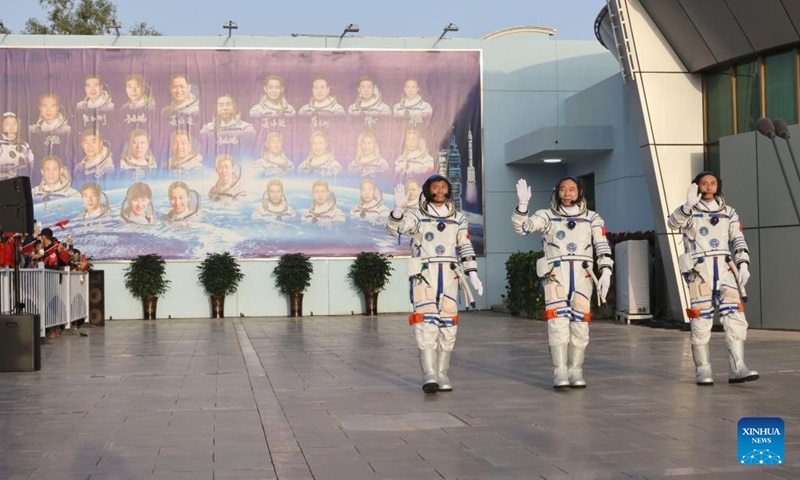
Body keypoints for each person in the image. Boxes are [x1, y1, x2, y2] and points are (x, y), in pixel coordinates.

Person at [512, 177, 613, 389]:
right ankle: (559, 372)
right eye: (563, 189)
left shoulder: (592, 218)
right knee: (557, 325)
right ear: (557, 192)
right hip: (556, 276)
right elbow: (523, 229)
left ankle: (576, 371)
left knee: (580, 325)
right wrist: (522, 206)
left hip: (582, 276)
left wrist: (606, 271)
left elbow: (601, 245)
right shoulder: (547, 216)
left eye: (572, 190)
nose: (567, 194)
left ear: (580, 192)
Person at [387, 174, 483, 393]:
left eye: (443, 187)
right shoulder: (417, 217)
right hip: (425, 275)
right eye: (435, 187)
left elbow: (465, 245)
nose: (439, 191)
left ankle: (442, 372)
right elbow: (395, 229)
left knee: (448, 326)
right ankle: (429, 373)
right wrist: (398, 212)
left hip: (449, 275)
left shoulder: (458, 218)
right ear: (427, 190)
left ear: (449, 191)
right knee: (426, 323)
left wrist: (473, 272)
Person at [667, 171, 759, 385]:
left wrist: (743, 263)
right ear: (696, 187)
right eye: (704, 183)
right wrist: (687, 207)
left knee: (735, 317)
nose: (709, 187)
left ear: (718, 186)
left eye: (713, 183)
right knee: (700, 320)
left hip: (726, 271)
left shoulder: (729, 212)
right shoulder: (689, 212)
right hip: (700, 272)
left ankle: (738, 367)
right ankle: (703, 370)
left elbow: (738, 239)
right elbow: (672, 224)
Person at [0, 112, 35, 179]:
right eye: (7, 124)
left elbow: (31, 165)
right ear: (1, 126)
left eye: (14, 123)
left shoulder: (24, 145)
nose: (11, 127)